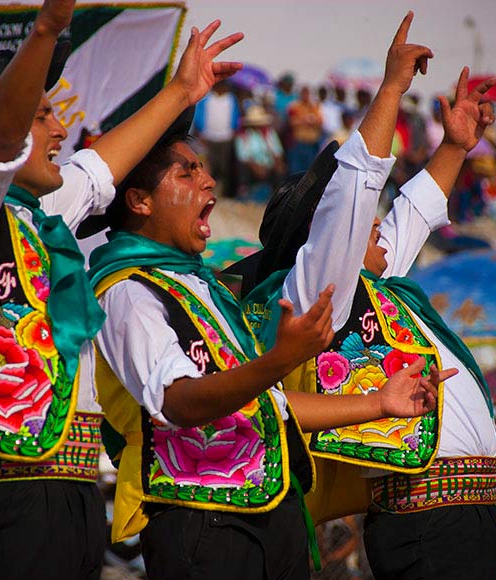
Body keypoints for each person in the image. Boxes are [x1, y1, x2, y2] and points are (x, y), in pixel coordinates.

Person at [0, 1, 245, 577]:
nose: (61, 127)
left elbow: (98, 171)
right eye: (43, 114)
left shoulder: (37, 217)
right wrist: (44, 32)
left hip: (73, 494)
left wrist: (181, 93)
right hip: (13, 500)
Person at [87, 14, 445, 579]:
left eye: (205, 170)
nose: (208, 183)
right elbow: (179, 402)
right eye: (186, 173)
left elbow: (267, 407)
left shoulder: (201, 290)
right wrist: (281, 359)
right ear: (138, 201)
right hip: (200, 522)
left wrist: (377, 405)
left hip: (262, 514)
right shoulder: (125, 291)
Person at [233, 15, 496, 580]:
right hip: (429, 523)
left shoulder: (371, 291)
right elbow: (356, 193)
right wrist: (389, 92)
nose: (380, 225)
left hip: (468, 515)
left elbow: (415, 211)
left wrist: (455, 145)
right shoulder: (319, 295)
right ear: (328, 239)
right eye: (365, 222)